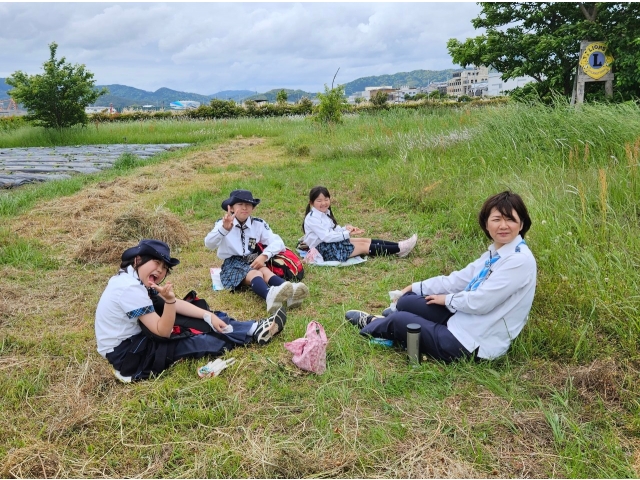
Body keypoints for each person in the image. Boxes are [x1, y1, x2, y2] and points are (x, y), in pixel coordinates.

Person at [345, 191, 537, 362]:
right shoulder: (497, 252)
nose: (503, 226)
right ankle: (394, 322)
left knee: (400, 319)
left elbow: (482, 302)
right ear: (486, 224)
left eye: (510, 219)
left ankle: (374, 322)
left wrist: (446, 300)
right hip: (462, 318)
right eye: (497, 219)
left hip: (472, 341)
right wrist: (417, 286)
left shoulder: (519, 261)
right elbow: (460, 279)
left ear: (521, 224)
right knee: (406, 301)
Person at [95, 239, 287, 381]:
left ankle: (253, 328)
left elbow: (176, 304)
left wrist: (208, 315)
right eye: (156, 263)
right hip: (128, 354)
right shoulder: (130, 288)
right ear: (138, 260)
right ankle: (253, 332)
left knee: (203, 317)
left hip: (134, 339)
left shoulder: (134, 279)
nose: (160, 271)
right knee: (196, 342)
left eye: (164, 268)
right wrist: (169, 303)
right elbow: (163, 331)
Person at [205, 189, 309, 314]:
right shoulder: (222, 224)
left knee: (264, 270)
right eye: (240, 204)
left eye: (248, 205)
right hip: (232, 264)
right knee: (256, 274)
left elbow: (278, 242)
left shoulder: (258, 224)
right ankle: (268, 296)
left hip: (252, 259)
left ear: (252, 208)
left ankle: (290, 291)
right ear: (231, 208)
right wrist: (224, 229)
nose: (244, 208)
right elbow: (209, 244)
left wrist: (264, 255)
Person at [302, 186, 418, 262]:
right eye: (319, 201)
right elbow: (326, 237)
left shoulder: (325, 213)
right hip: (324, 250)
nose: (324, 203)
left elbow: (333, 229)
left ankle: (398, 246)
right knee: (363, 247)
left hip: (329, 244)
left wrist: (346, 229)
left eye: (326, 199)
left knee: (364, 240)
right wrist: (346, 234)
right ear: (312, 203)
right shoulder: (312, 218)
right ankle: (399, 250)